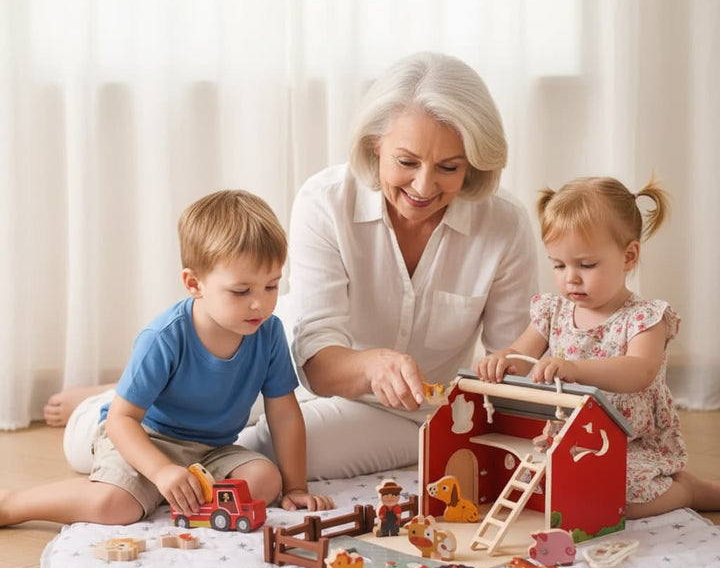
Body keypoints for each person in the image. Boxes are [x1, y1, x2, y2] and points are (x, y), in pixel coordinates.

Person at [45, 52, 539, 480]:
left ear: (474, 163)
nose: (425, 186)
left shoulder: (505, 225)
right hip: (281, 368)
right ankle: (114, 403)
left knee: (263, 457)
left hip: (411, 415)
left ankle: (149, 399)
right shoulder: (326, 200)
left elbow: (511, 359)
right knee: (116, 443)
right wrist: (374, 364)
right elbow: (319, 366)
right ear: (375, 146)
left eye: (449, 167)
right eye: (406, 161)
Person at [1, 190, 332, 529]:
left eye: (271, 287)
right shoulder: (164, 337)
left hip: (211, 450)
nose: (259, 305)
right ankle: (13, 504)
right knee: (115, 507)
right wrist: (160, 471)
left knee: (265, 480)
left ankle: (174, 491)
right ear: (194, 284)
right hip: (147, 438)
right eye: (241, 291)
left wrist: (295, 487)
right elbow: (122, 420)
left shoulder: (269, 332)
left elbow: (285, 415)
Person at [474, 175, 720, 519]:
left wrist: (575, 368)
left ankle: (687, 489)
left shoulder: (644, 318)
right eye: (559, 265)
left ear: (628, 256)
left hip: (626, 440)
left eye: (586, 265)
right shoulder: (552, 310)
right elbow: (521, 356)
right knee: (535, 483)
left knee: (617, 499)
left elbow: (639, 371)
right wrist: (500, 361)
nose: (570, 278)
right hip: (567, 435)